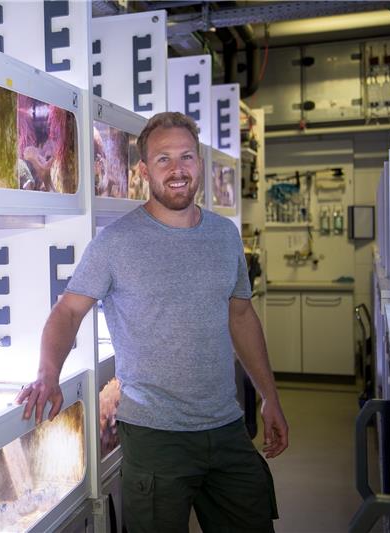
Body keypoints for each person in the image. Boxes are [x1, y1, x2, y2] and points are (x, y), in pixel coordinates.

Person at [16, 111, 289, 533]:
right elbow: (68, 311)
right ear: (143, 170)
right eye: (163, 159)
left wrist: (269, 396)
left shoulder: (224, 235)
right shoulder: (115, 243)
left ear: (199, 163)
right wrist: (47, 374)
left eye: (186, 157)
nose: (177, 170)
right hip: (154, 436)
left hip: (227, 427)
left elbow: (241, 316)